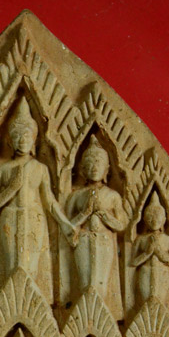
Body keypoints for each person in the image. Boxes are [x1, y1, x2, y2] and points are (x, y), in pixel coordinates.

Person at [0, 97, 77, 303]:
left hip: (34, 219)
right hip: (10, 218)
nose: (22, 140)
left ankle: (30, 308)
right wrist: (12, 188)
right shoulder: (3, 169)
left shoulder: (40, 168)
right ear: (10, 141)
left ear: (34, 141)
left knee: (31, 266)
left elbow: (49, 201)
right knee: (12, 266)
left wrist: (66, 224)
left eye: (26, 135)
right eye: (17, 136)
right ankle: (11, 308)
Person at [66, 135, 128, 319]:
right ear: (82, 170)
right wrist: (85, 213)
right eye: (90, 163)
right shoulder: (76, 196)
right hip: (83, 240)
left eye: (98, 163)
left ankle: (101, 320)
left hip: (104, 241)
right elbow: (67, 226)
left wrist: (103, 215)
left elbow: (121, 224)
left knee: (101, 282)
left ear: (107, 170)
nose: (94, 167)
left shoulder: (112, 195)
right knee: (85, 282)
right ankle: (84, 320)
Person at [131, 192, 169, 310]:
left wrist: (158, 250)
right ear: (145, 219)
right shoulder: (141, 239)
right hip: (145, 272)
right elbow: (133, 262)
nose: (154, 220)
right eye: (150, 217)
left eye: (157, 216)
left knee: (160, 304)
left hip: (162, 274)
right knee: (146, 304)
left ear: (164, 219)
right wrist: (148, 252)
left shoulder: (168, 240)